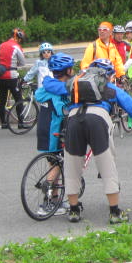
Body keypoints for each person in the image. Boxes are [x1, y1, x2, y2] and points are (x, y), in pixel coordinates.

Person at [61, 58, 132, 224]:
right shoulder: (111, 89)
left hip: (73, 120)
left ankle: (74, 210)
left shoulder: (76, 85)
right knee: (107, 164)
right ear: (109, 75)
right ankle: (114, 212)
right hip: (98, 119)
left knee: (72, 165)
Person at [33, 52, 75, 217]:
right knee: (58, 164)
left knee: (53, 163)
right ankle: (47, 200)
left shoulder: (46, 87)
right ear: (68, 71)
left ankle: (55, 199)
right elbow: (63, 111)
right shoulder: (59, 91)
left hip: (43, 130)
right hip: (54, 132)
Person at [0, 28, 27, 129]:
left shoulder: (2, 45)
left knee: (2, 100)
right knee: (19, 99)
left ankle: (4, 123)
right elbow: (23, 63)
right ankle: (21, 123)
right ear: (18, 37)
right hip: (12, 76)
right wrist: (16, 63)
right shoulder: (16, 47)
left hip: (1, 76)